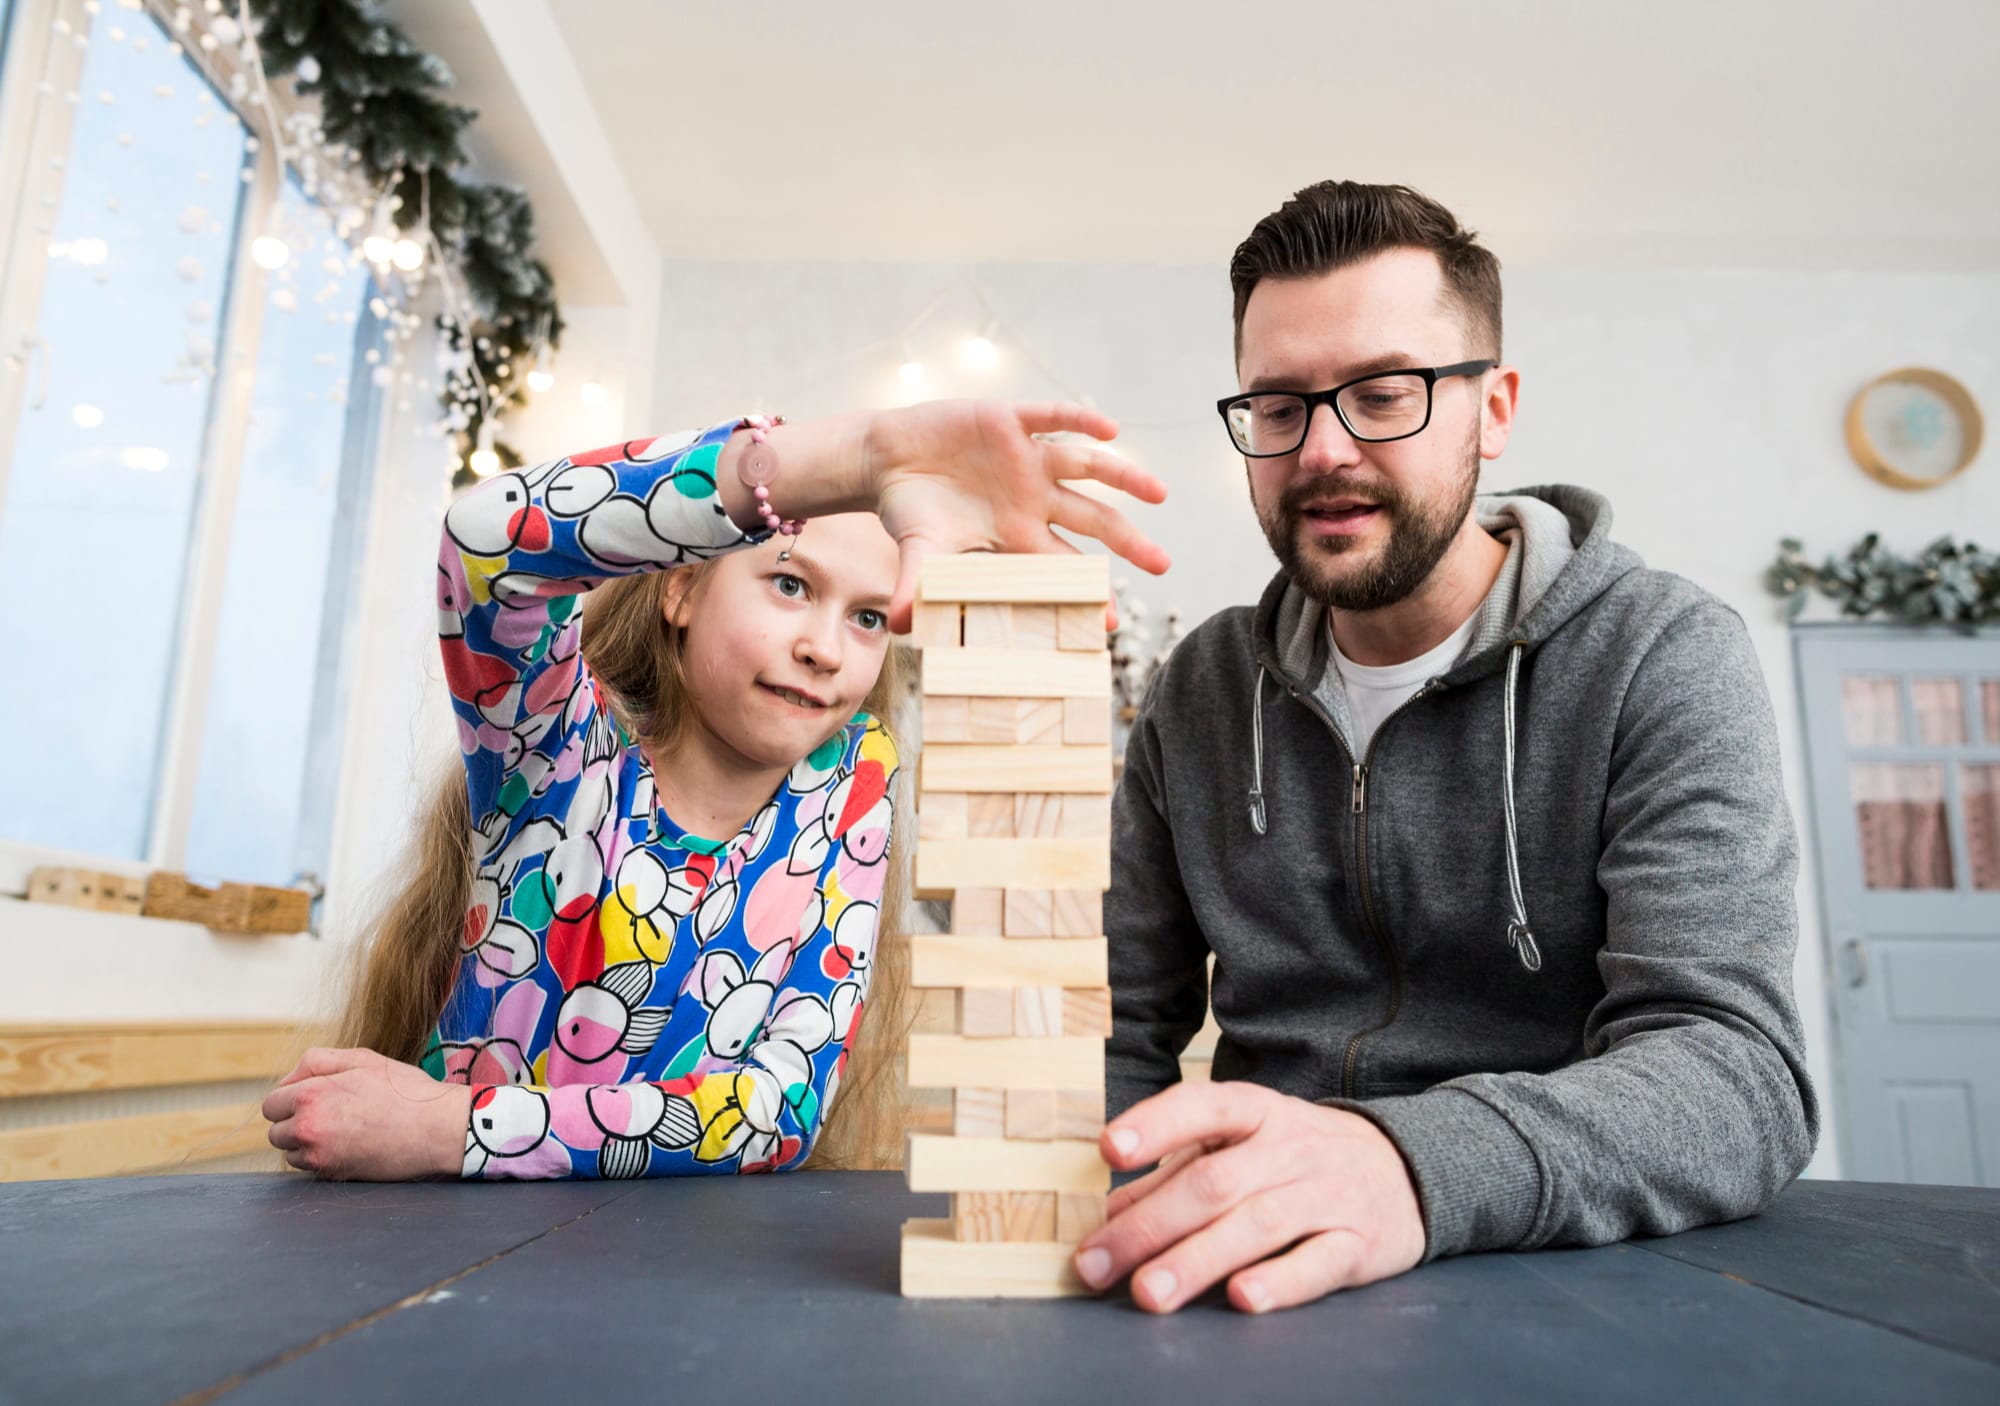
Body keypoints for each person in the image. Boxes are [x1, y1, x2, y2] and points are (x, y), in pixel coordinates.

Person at [1082, 181, 1818, 1314]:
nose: (1321, 450)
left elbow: (1733, 1078)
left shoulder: (1658, 655)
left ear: (1494, 408)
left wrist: (1401, 1163)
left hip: (1557, 1270)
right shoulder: (1203, 688)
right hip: (1244, 1280)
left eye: (1382, 393)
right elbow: (1117, 1026)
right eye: (1277, 406)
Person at [262, 401, 1169, 1180]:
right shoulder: (555, 751)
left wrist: (450, 1128)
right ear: (682, 589)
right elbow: (487, 543)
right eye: (788, 583)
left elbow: (777, 1109)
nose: (826, 646)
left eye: (865, 616)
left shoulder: (850, 789)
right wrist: (851, 462)